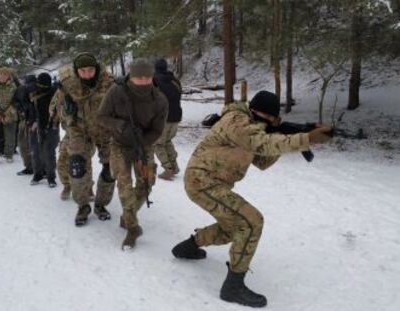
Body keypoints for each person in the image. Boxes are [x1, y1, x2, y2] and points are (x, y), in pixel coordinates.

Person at [171, 91, 332, 308]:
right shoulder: (236, 120)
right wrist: (306, 139)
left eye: (273, 120)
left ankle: (189, 247)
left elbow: (262, 161)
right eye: (268, 117)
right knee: (251, 222)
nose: (270, 122)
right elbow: (263, 143)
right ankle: (233, 287)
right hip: (202, 181)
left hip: (212, 183)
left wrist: (288, 135)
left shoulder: (254, 126)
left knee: (234, 228)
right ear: (255, 111)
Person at [97, 58, 168, 249]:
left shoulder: (159, 100)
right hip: (119, 144)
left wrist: (141, 143)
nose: (143, 81)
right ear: (131, 77)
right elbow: (101, 117)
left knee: (146, 185)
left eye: (147, 78)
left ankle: (128, 214)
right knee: (124, 185)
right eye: (139, 78)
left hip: (143, 145)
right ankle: (132, 227)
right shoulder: (116, 91)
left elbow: (157, 130)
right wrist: (120, 126)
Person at [54, 52, 115, 226]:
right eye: (83, 71)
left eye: (90, 70)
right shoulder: (67, 86)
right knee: (77, 167)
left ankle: (101, 205)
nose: (87, 74)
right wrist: (68, 115)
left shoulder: (109, 83)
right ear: (76, 71)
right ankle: (83, 206)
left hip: (106, 132)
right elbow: (61, 113)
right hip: (80, 132)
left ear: (96, 69)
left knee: (110, 169)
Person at [153, 58, 182, 181]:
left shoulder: (154, 80)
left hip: (163, 118)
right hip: (176, 116)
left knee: (158, 144)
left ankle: (168, 170)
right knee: (167, 141)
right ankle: (174, 167)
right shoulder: (174, 80)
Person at [28, 73, 59, 187]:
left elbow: (59, 111)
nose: (41, 87)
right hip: (37, 125)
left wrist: (54, 122)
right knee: (35, 151)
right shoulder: (34, 92)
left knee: (49, 152)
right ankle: (38, 174)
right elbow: (31, 108)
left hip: (51, 126)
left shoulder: (55, 93)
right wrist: (32, 122)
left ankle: (51, 177)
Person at [14, 74, 36, 175]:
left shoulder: (40, 90)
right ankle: (29, 167)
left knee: (35, 146)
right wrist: (20, 109)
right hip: (24, 120)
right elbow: (15, 101)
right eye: (27, 84)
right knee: (22, 144)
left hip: (36, 122)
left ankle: (40, 168)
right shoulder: (20, 90)